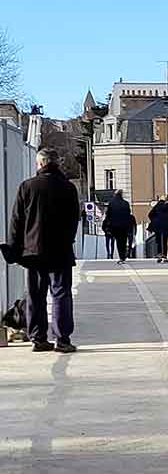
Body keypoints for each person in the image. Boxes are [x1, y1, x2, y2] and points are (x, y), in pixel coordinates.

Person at [3, 148, 80, 353]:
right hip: (61, 250)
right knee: (61, 293)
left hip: (33, 251)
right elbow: (74, 220)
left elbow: (16, 221)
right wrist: (67, 240)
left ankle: (38, 337)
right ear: (57, 164)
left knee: (36, 294)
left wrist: (14, 248)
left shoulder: (27, 187)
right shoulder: (68, 188)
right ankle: (62, 339)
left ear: (39, 164)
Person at [104, 189, 132, 264]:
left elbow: (108, 215)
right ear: (121, 195)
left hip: (115, 226)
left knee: (118, 241)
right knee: (124, 240)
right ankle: (123, 256)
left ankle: (121, 257)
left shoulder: (111, 203)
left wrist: (107, 225)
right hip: (124, 226)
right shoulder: (126, 203)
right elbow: (129, 214)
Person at [147, 195, 168, 263]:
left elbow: (150, 214)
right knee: (165, 241)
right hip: (166, 225)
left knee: (158, 241)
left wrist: (154, 220)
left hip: (157, 225)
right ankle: (164, 256)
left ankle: (159, 255)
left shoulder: (157, 206)